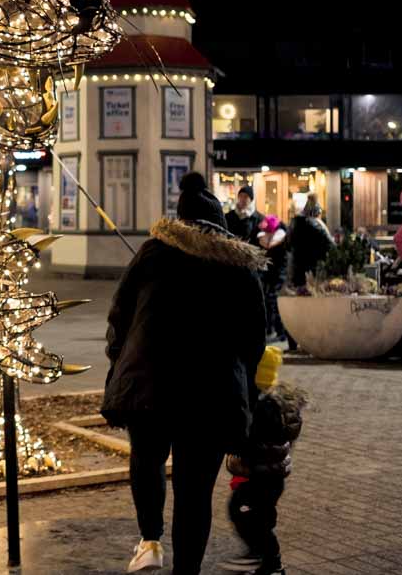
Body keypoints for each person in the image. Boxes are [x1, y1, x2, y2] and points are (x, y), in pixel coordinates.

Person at [102, 171, 267, 574]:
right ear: (220, 225)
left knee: (147, 460)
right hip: (212, 395)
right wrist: (246, 386)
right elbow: (254, 339)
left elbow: (119, 317)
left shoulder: (151, 253)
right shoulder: (238, 265)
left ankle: (150, 541)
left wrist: (120, 361)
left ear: (179, 219)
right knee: (194, 491)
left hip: (149, 386)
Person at [221, 347, 307, 575]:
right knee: (262, 518)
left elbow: (249, 440)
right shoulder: (273, 402)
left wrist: (234, 440)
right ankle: (268, 565)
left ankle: (264, 559)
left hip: (261, 476)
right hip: (272, 476)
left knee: (241, 511)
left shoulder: (262, 407)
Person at [286, 195, 334, 291]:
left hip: (297, 267)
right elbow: (329, 245)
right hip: (313, 267)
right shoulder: (316, 224)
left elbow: (288, 244)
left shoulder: (295, 223)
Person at [257, 216, 288, 343]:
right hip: (267, 273)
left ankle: (281, 332)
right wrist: (267, 234)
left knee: (275, 301)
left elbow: (269, 245)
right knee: (266, 300)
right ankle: (269, 328)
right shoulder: (263, 234)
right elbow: (263, 241)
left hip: (280, 273)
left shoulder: (281, 233)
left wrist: (268, 235)